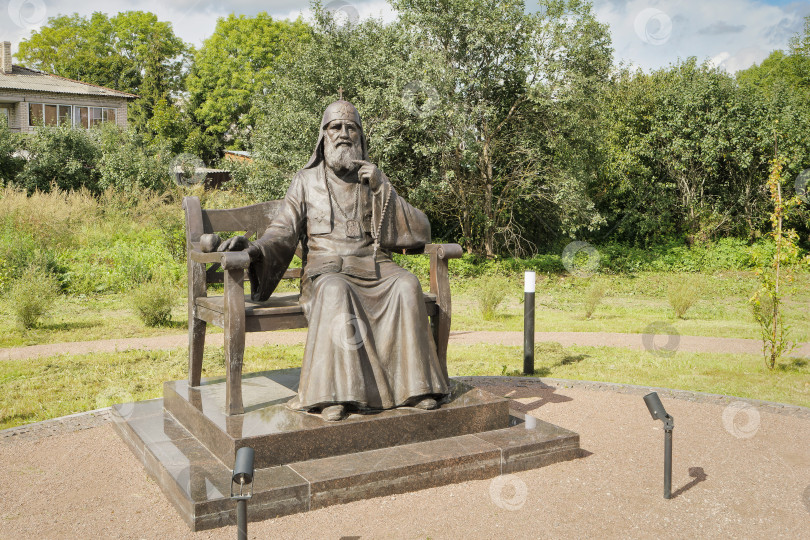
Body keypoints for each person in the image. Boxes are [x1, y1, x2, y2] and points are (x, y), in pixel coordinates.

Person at [218, 100, 449, 421]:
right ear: (323, 135)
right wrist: (255, 249)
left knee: (407, 284)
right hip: (327, 271)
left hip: (374, 266)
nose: (343, 134)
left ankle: (416, 388)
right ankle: (332, 395)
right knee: (335, 290)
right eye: (335, 127)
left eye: (350, 127)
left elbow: (419, 230)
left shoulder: (373, 181)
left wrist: (384, 187)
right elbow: (283, 229)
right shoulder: (306, 180)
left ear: (360, 136)